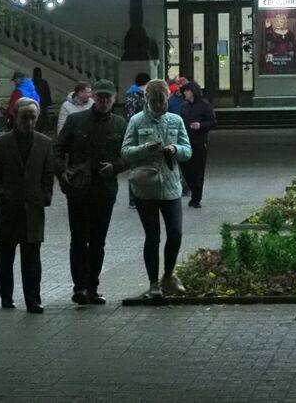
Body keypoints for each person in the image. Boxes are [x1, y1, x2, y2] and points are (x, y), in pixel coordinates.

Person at [53, 79, 127, 306]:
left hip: (105, 190)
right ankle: (80, 287)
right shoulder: (76, 121)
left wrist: (115, 167)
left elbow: (129, 155)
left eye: (107, 98)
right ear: (94, 97)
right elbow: (58, 149)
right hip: (78, 190)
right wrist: (62, 174)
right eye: (100, 97)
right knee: (78, 239)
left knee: (97, 241)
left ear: (114, 99)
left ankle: (92, 287)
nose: (103, 101)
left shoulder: (120, 125)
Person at [122, 78, 192, 297]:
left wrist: (175, 149)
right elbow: (125, 151)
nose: (160, 106)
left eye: (162, 101)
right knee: (152, 237)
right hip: (146, 188)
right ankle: (153, 283)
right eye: (155, 102)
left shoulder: (176, 120)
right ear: (147, 100)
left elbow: (188, 150)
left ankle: (168, 275)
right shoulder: (136, 121)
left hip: (171, 186)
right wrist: (145, 148)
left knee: (175, 233)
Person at [0, 97, 54, 313]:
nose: (29, 122)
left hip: (33, 210)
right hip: (7, 210)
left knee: (32, 259)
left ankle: (33, 300)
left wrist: (45, 196)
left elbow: (48, 173)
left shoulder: (44, 143)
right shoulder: (0, 144)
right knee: (5, 258)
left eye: (33, 118)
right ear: (15, 118)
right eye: (25, 118)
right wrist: (2, 196)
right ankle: (6, 297)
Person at [180, 81, 216, 207]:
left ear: (193, 91)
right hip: (185, 141)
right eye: (184, 91)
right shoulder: (184, 106)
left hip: (199, 141)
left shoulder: (204, 105)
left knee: (198, 170)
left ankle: (196, 198)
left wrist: (200, 125)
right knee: (185, 168)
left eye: (187, 91)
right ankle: (192, 189)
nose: (185, 93)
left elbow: (213, 122)